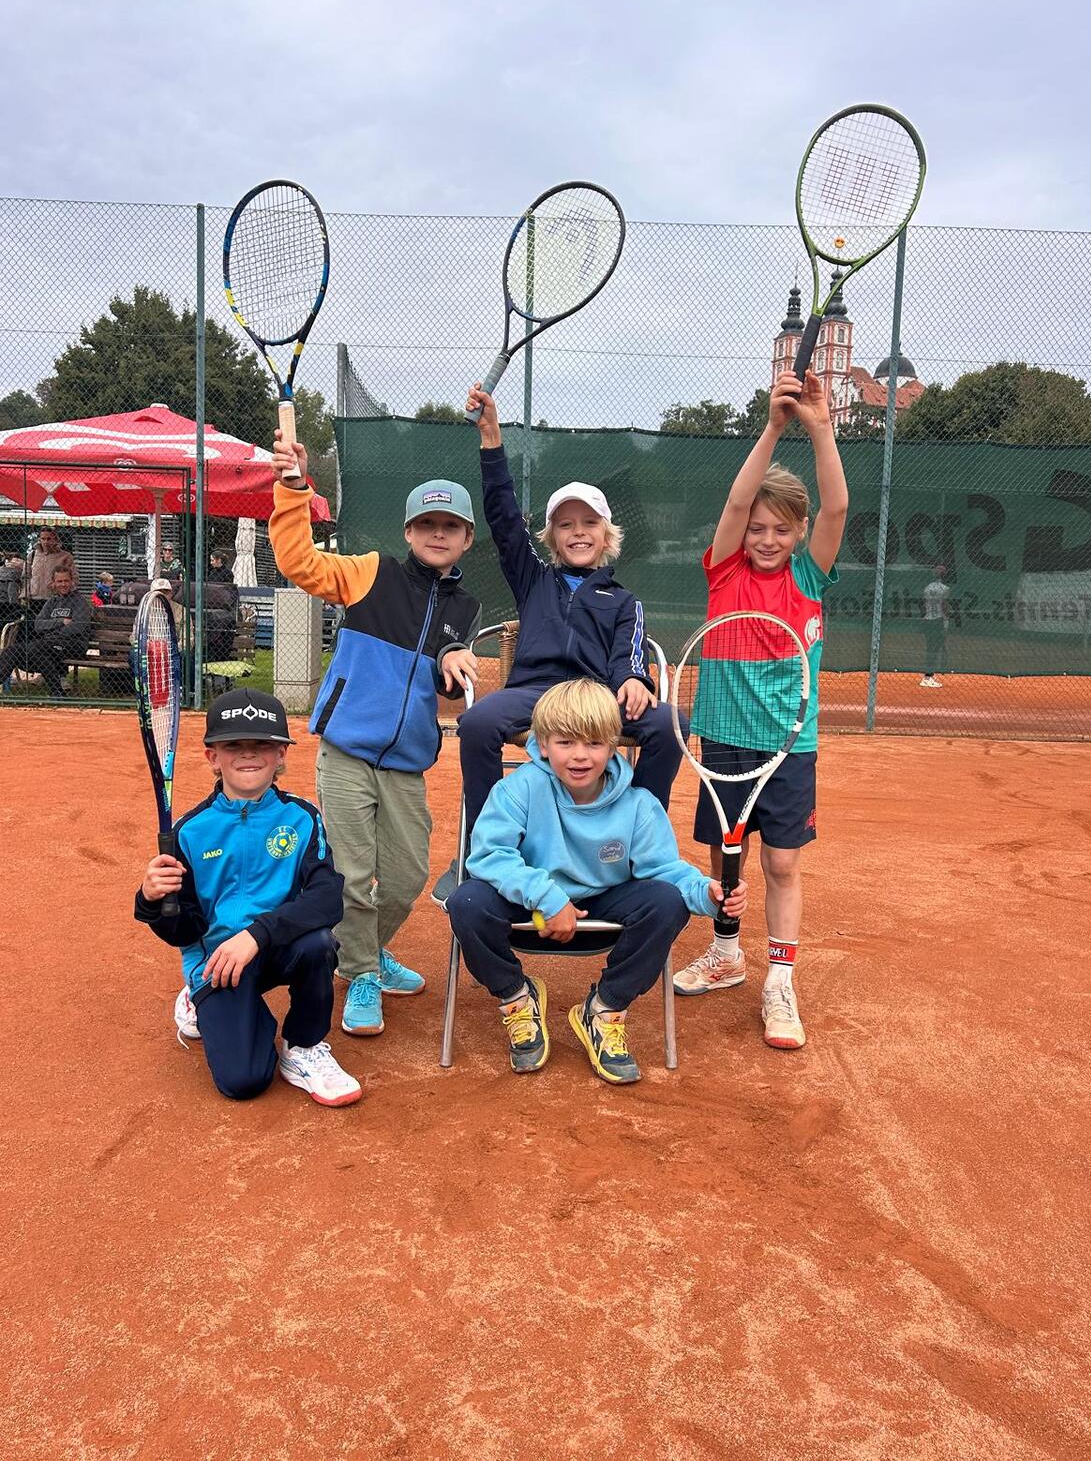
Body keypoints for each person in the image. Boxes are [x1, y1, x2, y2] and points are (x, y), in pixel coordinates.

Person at [433, 384, 683, 905]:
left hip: (597, 698)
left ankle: (636, 839)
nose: (578, 532)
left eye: (589, 523)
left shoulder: (623, 600)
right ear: (551, 537)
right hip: (535, 693)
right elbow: (504, 519)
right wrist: (491, 438)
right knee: (476, 724)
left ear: (607, 535)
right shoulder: (534, 579)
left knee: (665, 723)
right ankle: (486, 847)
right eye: (565, 525)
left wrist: (634, 680)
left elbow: (630, 653)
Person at [269, 430, 481, 1039]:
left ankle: (361, 950)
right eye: (426, 524)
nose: (437, 534)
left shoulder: (465, 608)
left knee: (409, 877)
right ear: (409, 532)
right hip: (346, 752)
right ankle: (363, 972)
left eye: (450, 526)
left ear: (467, 537)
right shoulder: (370, 573)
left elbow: (445, 684)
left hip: (407, 763)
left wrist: (452, 663)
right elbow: (299, 563)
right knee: (353, 875)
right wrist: (293, 490)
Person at [447, 679, 747, 1084]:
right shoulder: (518, 789)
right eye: (565, 742)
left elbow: (664, 870)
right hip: (535, 910)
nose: (579, 755)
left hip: (604, 903)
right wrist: (548, 898)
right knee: (466, 903)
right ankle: (517, 997)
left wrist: (706, 894)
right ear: (543, 744)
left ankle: (605, 1009)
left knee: (667, 902)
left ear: (612, 745)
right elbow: (488, 856)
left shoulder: (638, 805)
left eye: (593, 743)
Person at [671, 370, 848, 1053]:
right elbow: (735, 499)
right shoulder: (724, 571)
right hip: (722, 739)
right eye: (756, 528)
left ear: (799, 533)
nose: (766, 538)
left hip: (789, 746)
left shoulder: (808, 576)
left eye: (780, 529)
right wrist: (773, 426)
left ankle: (779, 979)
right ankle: (725, 952)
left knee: (781, 865)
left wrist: (819, 428)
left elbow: (835, 509)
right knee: (726, 856)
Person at [133, 688, 361, 1107]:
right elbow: (184, 929)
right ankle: (205, 1002)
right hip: (219, 962)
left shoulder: (302, 817)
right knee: (244, 1080)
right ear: (213, 757)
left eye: (262, 744)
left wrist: (258, 934)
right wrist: (151, 902)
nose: (248, 754)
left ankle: (303, 1045)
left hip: (277, 946)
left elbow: (327, 898)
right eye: (233, 745)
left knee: (319, 943)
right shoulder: (189, 831)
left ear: (280, 754)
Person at [0, 562, 91, 696]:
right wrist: (60, 622)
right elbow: (38, 625)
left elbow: (78, 627)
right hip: (49, 644)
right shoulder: (52, 602)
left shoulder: (80, 602)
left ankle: (57, 692)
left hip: (74, 645)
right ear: (54, 583)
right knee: (12, 650)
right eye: (59, 581)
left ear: (72, 581)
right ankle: (57, 693)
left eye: (66, 581)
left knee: (37, 650)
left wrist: (52, 630)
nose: (63, 584)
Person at [28, 528, 75, 610]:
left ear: (55, 540)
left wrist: (65, 590)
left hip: (55, 597)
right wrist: (25, 593)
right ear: (39, 539)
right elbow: (26, 575)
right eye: (43, 539)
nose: (46, 542)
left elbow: (74, 577)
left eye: (49, 539)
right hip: (34, 597)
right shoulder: (32, 555)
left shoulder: (65, 556)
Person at [920, 564, 950, 688]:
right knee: (934, 649)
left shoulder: (927, 588)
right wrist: (946, 621)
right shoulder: (945, 589)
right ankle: (928, 677)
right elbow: (944, 606)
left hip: (927, 620)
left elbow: (923, 605)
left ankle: (929, 675)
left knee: (930, 648)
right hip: (938, 621)